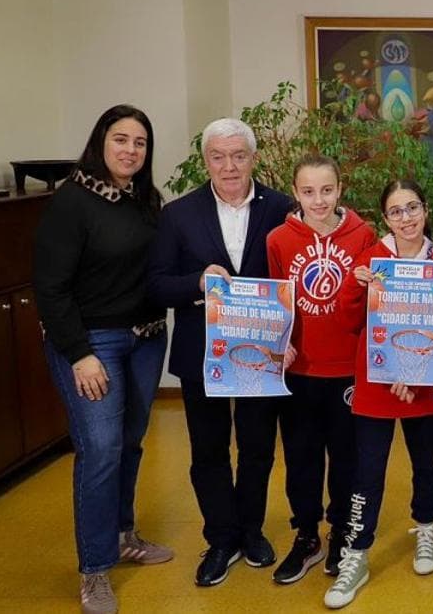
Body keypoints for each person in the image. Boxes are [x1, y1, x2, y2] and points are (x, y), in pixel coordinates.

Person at [34, 105, 172, 614]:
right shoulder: (72, 201)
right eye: (121, 139)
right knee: (100, 451)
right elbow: (50, 287)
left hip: (147, 339)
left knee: (130, 443)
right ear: (101, 142)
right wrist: (80, 354)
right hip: (95, 346)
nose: (131, 150)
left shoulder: (146, 200)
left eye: (140, 142)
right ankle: (94, 570)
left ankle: (122, 534)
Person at [148, 117, 295, 587]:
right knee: (208, 450)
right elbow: (155, 285)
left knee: (256, 448)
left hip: (261, 354)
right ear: (205, 160)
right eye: (218, 156)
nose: (229, 166)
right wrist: (197, 282)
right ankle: (221, 538)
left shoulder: (283, 207)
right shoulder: (178, 214)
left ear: (253, 158)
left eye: (238, 156)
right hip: (202, 357)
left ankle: (251, 531)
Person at [323, 179, 433, 608]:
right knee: (367, 470)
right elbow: (346, 318)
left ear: (426, 210)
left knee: (425, 463)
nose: (407, 218)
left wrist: (419, 375)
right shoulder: (372, 258)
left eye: (413, 207)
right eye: (396, 211)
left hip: (423, 384)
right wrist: (357, 285)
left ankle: (427, 528)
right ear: (386, 219)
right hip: (377, 384)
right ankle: (355, 553)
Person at [265, 154, 376, 585]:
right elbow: (277, 301)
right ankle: (307, 534)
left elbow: (371, 302)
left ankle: (342, 532)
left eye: (326, 190)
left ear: (340, 189)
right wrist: (280, 345)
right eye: (308, 191)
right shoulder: (278, 239)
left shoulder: (363, 234)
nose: (318, 200)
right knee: (301, 456)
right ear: (295, 193)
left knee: (346, 456)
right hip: (300, 370)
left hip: (348, 369)